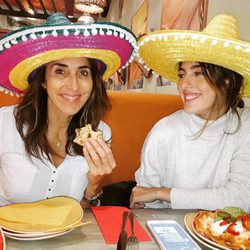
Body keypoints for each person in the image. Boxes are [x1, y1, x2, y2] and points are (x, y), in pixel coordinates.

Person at [0, 13, 137, 207]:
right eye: (60, 71)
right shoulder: (4, 123)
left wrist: (95, 183)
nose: (74, 85)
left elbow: (81, 212)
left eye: (83, 72)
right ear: (43, 82)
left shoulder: (100, 133)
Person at [130, 14, 250, 211]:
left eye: (198, 73)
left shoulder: (245, 125)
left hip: (227, 238)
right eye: (182, 74)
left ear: (227, 81)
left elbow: (242, 197)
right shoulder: (164, 131)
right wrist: (152, 196)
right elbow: (142, 202)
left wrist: (163, 192)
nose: (184, 85)